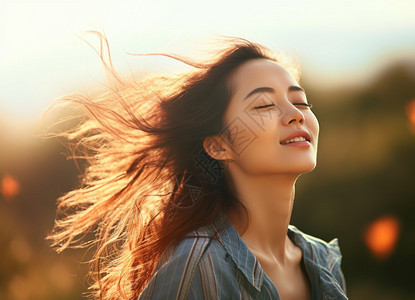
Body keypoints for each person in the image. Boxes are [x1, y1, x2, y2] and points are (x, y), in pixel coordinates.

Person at [48, 34, 347, 300]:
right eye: (264, 106)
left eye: (302, 102)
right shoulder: (196, 268)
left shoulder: (323, 261)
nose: (295, 115)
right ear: (218, 146)